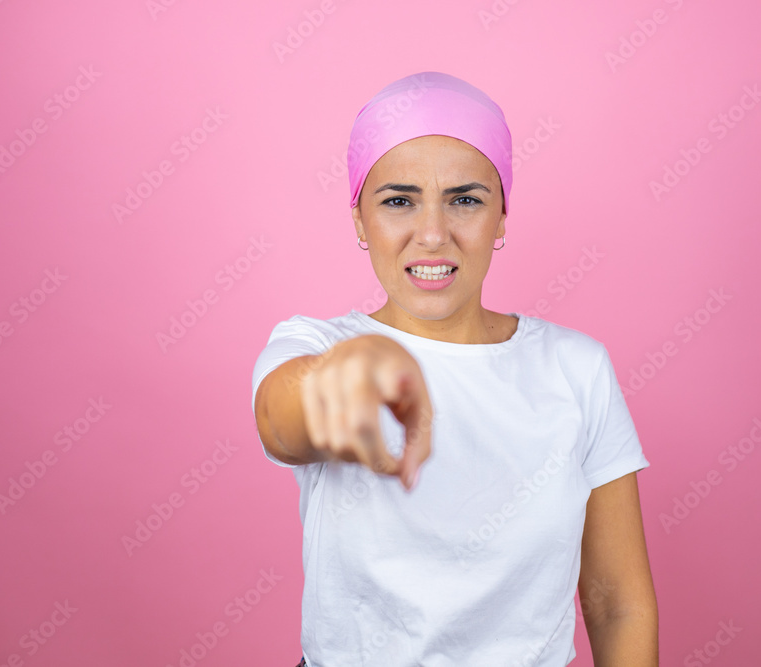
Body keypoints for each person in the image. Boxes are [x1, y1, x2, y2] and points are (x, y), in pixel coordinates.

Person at [251, 71, 658, 666]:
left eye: (465, 199)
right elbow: (281, 422)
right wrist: (351, 376)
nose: (434, 235)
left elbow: (616, 601)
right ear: (360, 220)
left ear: (501, 217)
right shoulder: (314, 342)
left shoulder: (576, 368)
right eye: (398, 202)